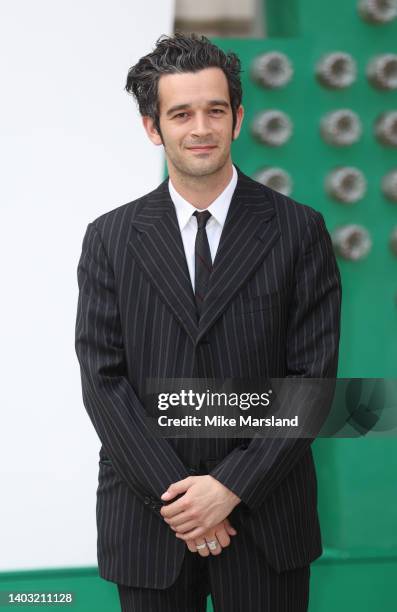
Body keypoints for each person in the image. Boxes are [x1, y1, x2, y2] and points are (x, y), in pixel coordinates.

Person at [75, 32, 342, 612]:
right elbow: (104, 381)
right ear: (154, 127)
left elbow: (310, 383)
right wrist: (182, 503)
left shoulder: (300, 231)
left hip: (266, 520)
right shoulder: (110, 239)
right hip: (150, 523)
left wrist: (231, 487)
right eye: (181, 113)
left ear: (238, 118)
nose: (201, 127)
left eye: (215, 110)